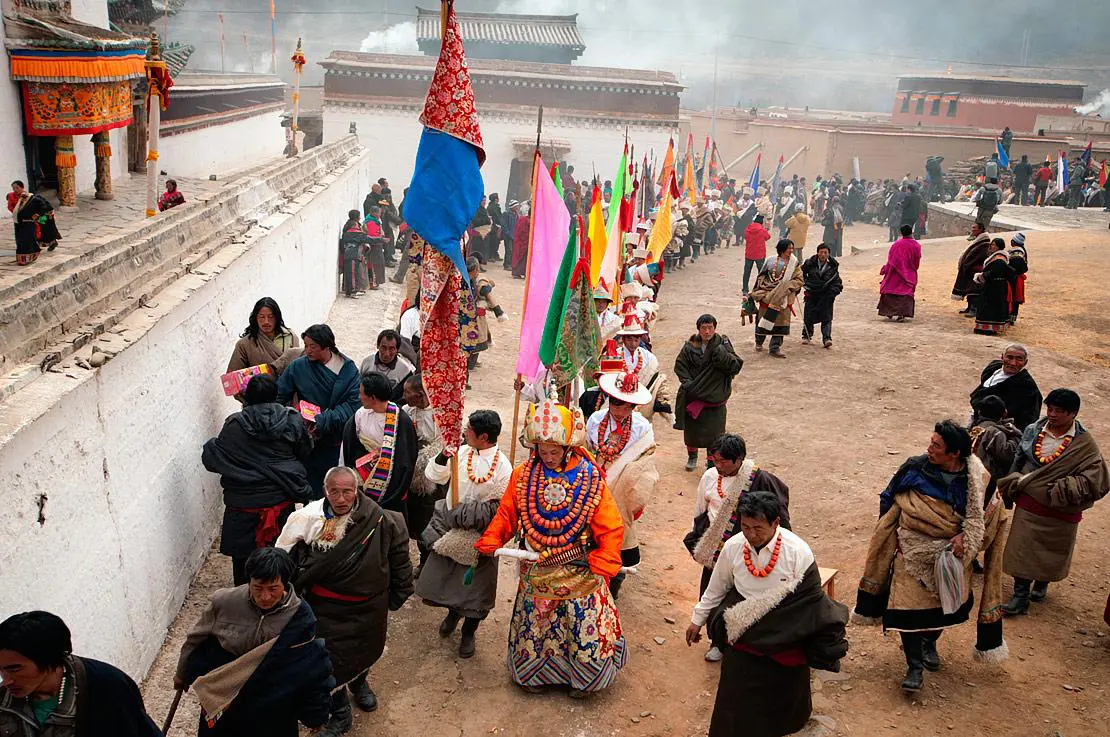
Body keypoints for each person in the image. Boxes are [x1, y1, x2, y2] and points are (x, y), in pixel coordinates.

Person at [475, 399, 627, 697]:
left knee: (581, 622)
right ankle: (535, 676)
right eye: (542, 451)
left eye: (554, 451)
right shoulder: (523, 475)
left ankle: (586, 680)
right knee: (537, 625)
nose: (547, 457)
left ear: (568, 447)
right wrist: (493, 538)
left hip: (580, 565)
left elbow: (608, 520)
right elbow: (508, 513)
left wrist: (607, 554)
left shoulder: (589, 475)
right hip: (536, 565)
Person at [854, 421, 1009, 693]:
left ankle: (930, 642)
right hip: (911, 553)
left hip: (952, 558)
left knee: (944, 611)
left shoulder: (978, 479)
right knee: (906, 611)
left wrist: (966, 537)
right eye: (931, 442)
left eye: (936, 446)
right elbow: (890, 498)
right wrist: (890, 537)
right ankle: (914, 667)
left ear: (955, 454)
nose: (929, 449)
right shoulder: (915, 468)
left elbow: (992, 516)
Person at [687, 492, 847, 737]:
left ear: (776, 523)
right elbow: (717, 587)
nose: (751, 535)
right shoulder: (733, 547)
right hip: (743, 634)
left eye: (758, 528)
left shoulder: (798, 551)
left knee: (782, 708)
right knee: (734, 703)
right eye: (745, 526)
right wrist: (698, 620)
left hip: (786, 634)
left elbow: (810, 601)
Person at [276, 466, 413, 735]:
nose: (340, 498)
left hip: (369, 607)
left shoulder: (382, 520)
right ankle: (340, 710)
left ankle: (359, 683)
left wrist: (397, 596)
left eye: (347, 492)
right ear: (325, 491)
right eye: (334, 491)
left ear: (357, 490)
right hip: (325, 608)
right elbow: (284, 558)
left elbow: (400, 563)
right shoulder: (306, 518)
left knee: (365, 649)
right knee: (329, 659)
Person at [174, 547, 334, 736]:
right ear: (249, 580)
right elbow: (196, 639)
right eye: (257, 588)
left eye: (273, 589)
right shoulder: (225, 602)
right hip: (226, 697)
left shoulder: (299, 617)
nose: (265, 597)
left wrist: (315, 714)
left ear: (285, 583)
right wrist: (182, 673)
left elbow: (309, 670)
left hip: (274, 704)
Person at [999, 389, 1110, 615]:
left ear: (1073, 414)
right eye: (1050, 409)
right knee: (1021, 548)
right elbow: (1019, 460)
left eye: (1059, 411)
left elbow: (1096, 479)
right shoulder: (1033, 430)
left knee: (1052, 552)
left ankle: (1042, 583)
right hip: (1030, 503)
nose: (1052, 414)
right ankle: (1020, 595)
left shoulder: (1084, 444)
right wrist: (1012, 486)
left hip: (1061, 509)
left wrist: (1063, 488)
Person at [685, 433, 792, 663]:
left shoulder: (761, 480)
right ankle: (718, 642)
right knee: (713, 594)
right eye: (715, 460)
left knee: (747, 598)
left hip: (752, 552)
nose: (719, 465)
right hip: (717, 549)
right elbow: (700, 512)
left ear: (740, 459)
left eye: (725, 461)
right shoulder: (709, 477)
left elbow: (779, 515)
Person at [416, 410, 513, 658]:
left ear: (483, 436)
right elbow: (434, 476)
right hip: (451, 530)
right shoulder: (460, 453)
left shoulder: (503, 466)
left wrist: (472, 515)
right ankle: (452, 614)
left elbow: (502, 508)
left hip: (481, 536)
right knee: (450, 582)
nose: (464, 432)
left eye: (468, 430)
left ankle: (469, 633)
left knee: (477, 591)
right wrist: (442, 455)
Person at [202, 374, 312, 585]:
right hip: (280, 499)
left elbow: (217, 458)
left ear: (247, 397)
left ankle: (244, 600)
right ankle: (280, 599)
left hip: (243, 504)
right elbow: (305, 451)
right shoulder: (291, 419)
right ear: (275, 395)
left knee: (243, 562)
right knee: (281, 555)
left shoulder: (234, 425)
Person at [0, 611, 161, 736]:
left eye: (15, 669)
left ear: (48, 658)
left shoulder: (107, 686)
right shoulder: (3, 700)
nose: (6, 681)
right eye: (1, 670)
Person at [586, 371, 658, 599]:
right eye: (616, 403)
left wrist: (625, 488)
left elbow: (643, 467)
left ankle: (614, 583)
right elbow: (587, 452)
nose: (619, 410)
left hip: (623, 490)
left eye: (626, 405)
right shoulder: (595, 420)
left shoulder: (642, 428)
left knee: (618, 532)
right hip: (594, 485)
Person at [276, 324, 361, 496]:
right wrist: (289, 418)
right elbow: (280, 394)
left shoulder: (348, 370)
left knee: (331, 484)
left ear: (327, 345)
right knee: (308, 483)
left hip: (334, 438)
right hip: (305, 437)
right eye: (306, 346)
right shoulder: (298, 367)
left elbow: (353, 404)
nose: (307, 351)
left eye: (312, 346)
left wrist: (323, 419)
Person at [341, 371, 418, 515]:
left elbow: (406, 459)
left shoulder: (401, 420)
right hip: (363, 478)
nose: (359, 397)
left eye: (362, 393)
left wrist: (383, 458)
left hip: (391, 485)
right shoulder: (360, 415)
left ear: (373, 398)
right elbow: (350, 446)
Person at [674, 314, 743, 472]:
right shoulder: (690, 346)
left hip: (715, 399)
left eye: (710, 327)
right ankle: (692, 457)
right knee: (692, 433)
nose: (707, 331)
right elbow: (680, 366)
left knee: (715, 435)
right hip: (694, 397)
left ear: (715, 328)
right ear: (698, 329)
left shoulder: (722, 344)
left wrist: (721, 354)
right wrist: (689, 384)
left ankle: (712, 463)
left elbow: (735, 366)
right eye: (703, 328)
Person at [398, 373, 445, 570]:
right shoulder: (406, 411)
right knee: (413, 520)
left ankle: (428, 563)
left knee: (429, 521)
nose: (403, 395)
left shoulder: (441, 415)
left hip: (432, 477)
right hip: (409, 474)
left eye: (407, 392)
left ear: (420, 395)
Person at [749, 239, 804, 358]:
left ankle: (775, 347)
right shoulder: (770, 260)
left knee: (781, 321)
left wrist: (786, 286)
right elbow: (762, 275)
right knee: (762, 318)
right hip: (766, 294)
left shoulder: (794, 263)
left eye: (792, 248)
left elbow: (799, 280)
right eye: (789, 248)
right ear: (782, 249)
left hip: (783, 297)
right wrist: (762, 288)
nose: (791, 250)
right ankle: (759, 342)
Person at [969, 344, 1042, 431]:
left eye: (1019, 359)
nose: (1013, 363)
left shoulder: (1028, 388)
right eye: (1009, 357)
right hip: (976, 419)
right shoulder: (992, 368)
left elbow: (1029, 420)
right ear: (1002, 357)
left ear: (1025, 362)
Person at [227, 297, 301, 377]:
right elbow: (233, 378)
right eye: (262, 317)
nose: (266, 321)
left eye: (270, 317)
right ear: (256, 318)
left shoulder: (290, 337)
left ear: (277, 318)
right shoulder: (245, 344)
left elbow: (297, 370)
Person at [970, 395, 1023, 505]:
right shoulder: (994, 432)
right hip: (987, 480)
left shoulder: (974, 427)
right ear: (1004, 413)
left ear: (979, 412)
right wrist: (1015, 435)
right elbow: (1007, 453)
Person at [467, 256, 506, 369]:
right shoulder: (463, 280)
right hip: (467, 315)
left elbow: (484, 288)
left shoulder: (478, 281)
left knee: (479, 337)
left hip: (475, 313)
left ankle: (471, 361)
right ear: (474, 269)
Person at [800, 242, 842, 348]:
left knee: (827, 317)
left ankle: (827, 338)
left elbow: (837, 282)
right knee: (808, 315)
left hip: (826, 295)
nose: (823, 255)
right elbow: (800, 274)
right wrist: (805, 285)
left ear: (828, 254)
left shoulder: (833, 266)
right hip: (812, 293)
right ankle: (806, 335)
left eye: (825, 253)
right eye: (821, 252)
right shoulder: (809, 263)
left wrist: (832, 292)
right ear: (817, 253)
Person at [877, 224, 921, 321]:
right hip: (908, 273)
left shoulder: (896, 245)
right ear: (912, 232)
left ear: (901, 233)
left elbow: (891, 259)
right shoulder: (916, 246)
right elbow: (916, 262)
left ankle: (889, 311)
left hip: (894, 272)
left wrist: (887, 269)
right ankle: (902, 314)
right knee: (905, 293)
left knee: (890, 290)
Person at [10, 180, 60, 265]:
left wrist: (37, 215)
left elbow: (46, 207)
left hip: (29, 223)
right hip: (19, 224)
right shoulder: (13, 197)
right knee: (20, 242)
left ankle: (26, 259)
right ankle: (22, 259)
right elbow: (11, 207)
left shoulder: (33, 198)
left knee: (29, 240)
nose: (15, 190)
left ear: (22, 187)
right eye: (13, 188)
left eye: (17, 188)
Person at [972, 238, 1015, 336]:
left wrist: (981, 276)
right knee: (988, 306)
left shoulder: (1000, 259)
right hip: (992, 285)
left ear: (999, 246)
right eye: (991, 244)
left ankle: (989, 328)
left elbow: (995, 272)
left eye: (994, 245)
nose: (991, 246)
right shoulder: (995, 257)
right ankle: (985, 327)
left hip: (996, 287)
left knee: (992, 307)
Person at [952, 223, 992, 317]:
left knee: (974, 290)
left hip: (976, 270)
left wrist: (968, 264)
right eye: (972, 228)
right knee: (969, 289)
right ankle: (969, 307)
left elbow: (979, 256)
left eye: (974, 228)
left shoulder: (984, 243)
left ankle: (974, 309)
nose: (972, 230)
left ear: (980, 229)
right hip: (971, 269)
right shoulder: (978, 241)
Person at [339, 210, 370, 297]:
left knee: (351, 272)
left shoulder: (348, 225)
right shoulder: (353, 226)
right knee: (354, 273)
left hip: (350, 252)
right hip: (353, 253)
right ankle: (353, 291)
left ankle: (350, 289)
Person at [742, 214, 771, 295]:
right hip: (759, 254)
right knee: (761, 273)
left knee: (747, 272)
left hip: (749, 253)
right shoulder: (762, 230)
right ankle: (761, 287)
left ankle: (745, 289)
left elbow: (745, 237)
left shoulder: (748, 228)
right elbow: (768, 237)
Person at [362, 205, 389, 287]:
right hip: (374, 247)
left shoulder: (374, 220)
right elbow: (372, 235)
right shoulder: (371, 223)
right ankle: (373, 283)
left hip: (376, 245)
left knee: (375, 264)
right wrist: (382, 239)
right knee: (374, 265)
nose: (380, 215)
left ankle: (374, 282)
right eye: (379, 213)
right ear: (374, 213)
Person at [511, 202, 530, 279]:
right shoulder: (523, 220)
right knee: (519, 257)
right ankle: (516, 273)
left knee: (525, 259)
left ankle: (525, 273)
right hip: (521, 242)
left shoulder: (528, 220)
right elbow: (520, 231)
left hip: (527, 243)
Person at [501, 200, 520, 271]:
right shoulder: (506, 214)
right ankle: (507, 264)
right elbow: (504, 226)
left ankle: (510, 264)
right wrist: (509, 234)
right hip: (508, 236)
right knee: (508, 250)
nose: (517, 207)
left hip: (514, 236)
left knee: (512, 251)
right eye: (516, 206)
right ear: (513, 206)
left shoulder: (516, 215)